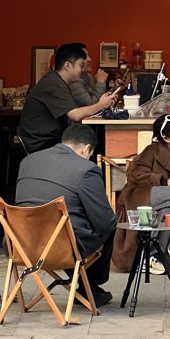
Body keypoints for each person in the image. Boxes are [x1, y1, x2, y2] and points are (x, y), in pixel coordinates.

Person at [15, 123, 117, 307]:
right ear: (86, 149)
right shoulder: (86, 169)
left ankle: (86, 287)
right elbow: (105, 222)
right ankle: (89, 289)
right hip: (61, 248)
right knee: (107, 225)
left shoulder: (27, 161)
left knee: (72, 226)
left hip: (20, 245)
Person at [112, 112, 170, 274]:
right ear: (166, 138)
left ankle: (150, 256)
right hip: (141, 195)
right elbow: (136, 174)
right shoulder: (152, 150)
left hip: (164, 199)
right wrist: (162, 180)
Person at [17, 43, 118, 154]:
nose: (82, 69)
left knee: (91, 141)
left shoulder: (56, 80)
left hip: (46, 138)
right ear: (67, 65)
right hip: (41, 143)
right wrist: (101, 105)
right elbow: (75, 115)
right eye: (80, 65)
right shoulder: (54, 84)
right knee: (92, 145)